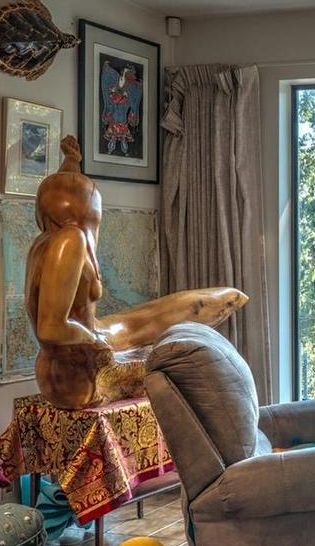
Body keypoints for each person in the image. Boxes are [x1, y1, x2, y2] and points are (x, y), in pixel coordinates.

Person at [25, 135, 246, 408]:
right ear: (87, 210)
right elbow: (51, 328)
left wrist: (71, 161)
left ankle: (215, 301)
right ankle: (217, 303)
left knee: (148, 319)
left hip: (59, 371)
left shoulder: (45, 242)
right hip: (81, 376)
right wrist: (94, 341)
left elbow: (62, 190)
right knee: (179, 348)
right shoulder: (72, 239)